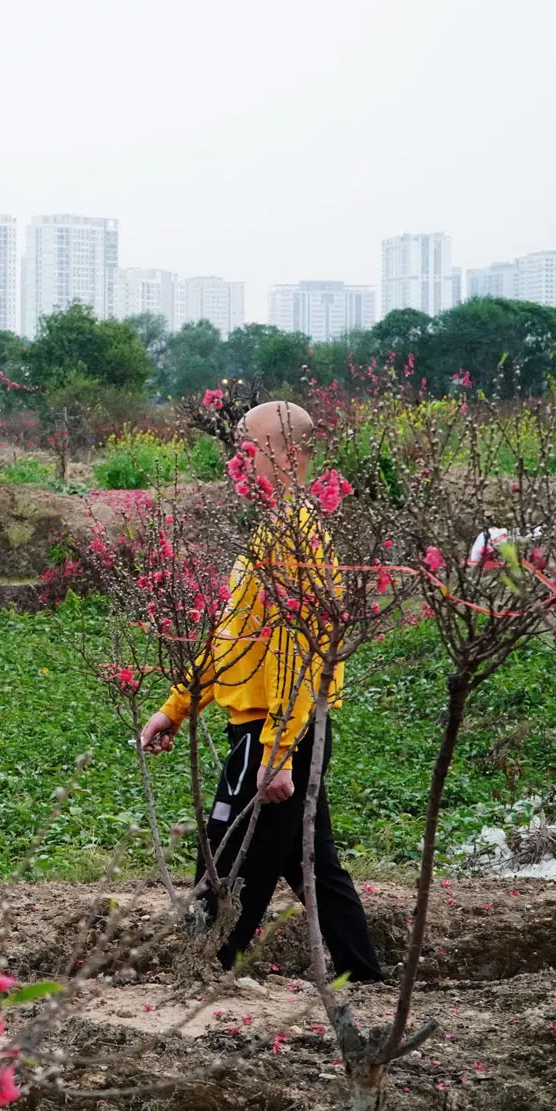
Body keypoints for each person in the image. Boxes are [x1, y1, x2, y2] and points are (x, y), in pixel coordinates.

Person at [136, 401, 382, 982]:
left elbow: (301, 653)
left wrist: (277, 751)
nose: (237, 458)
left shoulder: (297, 536)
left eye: (249, 445)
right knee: (310, 862)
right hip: (272, 728)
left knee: (226, 856)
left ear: (287, 453)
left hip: (273, 730)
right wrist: (178, 707)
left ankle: (204, 966)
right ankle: (360, 970)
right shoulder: (274, 532)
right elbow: (233, 638)